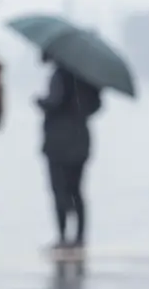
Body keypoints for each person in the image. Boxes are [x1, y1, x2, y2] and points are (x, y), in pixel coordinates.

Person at [34, 54, 101, 254]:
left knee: (59, 190)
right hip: (80, 139)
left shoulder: (60, 75)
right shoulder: (88, 79)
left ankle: (63, 236)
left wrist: (40, 102)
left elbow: (54, 101)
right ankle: (79, 237)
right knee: (76, 190)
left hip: (58, 141)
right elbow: (96, 106)